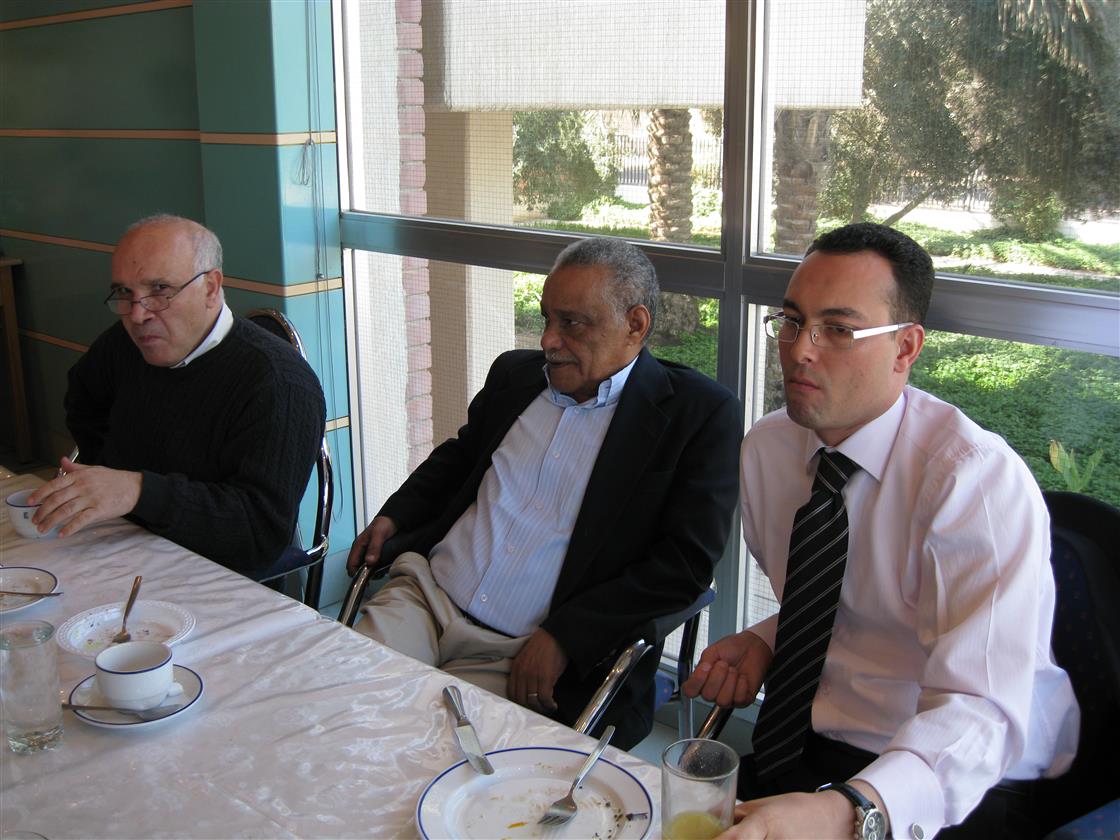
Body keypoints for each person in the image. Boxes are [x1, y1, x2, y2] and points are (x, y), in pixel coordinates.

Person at [682, 223, 1078, 840]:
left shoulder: (972, 482)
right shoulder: (769, 449)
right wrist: (767, 637)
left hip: (954, 773)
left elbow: (981, 710)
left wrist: (852, 809)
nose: (799, 349)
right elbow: (840, 602)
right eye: (792, 321)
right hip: (806, 741)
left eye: (838, 330)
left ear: (905, 347)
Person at [348, 236, 741, 748]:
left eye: (572, 323)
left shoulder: (696, 415)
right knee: (345, 705)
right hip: (425, 599)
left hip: (521, 652)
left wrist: (566, 635)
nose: (548, 340)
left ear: (635, 324)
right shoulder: (516, 376)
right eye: (547, 318)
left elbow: (683, 564)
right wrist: (396, 516)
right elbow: (460, 457)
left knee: (432, 756)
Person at [28, 214, 326, 580]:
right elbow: (83, 399)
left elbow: (258, 533)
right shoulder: (123, 346)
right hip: (126, 542)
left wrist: (137, 491)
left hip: (221, 578)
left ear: (211, 287)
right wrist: (111, 479)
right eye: (125, 293)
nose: (138, 315)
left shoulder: (279, 383)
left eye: (160, 290)